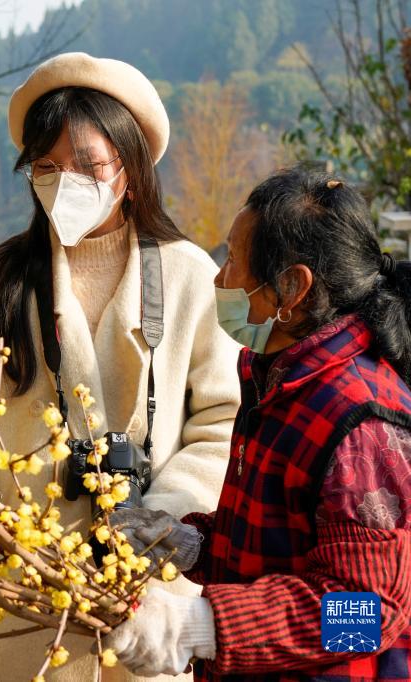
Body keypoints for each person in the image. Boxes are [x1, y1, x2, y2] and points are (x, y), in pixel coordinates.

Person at [0, 53, 242, 681]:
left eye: (88, 166)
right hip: (24, 586)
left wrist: (163, 516)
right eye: (47, 167)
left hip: (149, 595)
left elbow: (222, 421)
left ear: (131, 169)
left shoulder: (190, 275)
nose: (65, 183)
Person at [107, 166, 411, 681]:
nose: (219, 279)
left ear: (292, 288)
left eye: (233, 261)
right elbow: (279, 544)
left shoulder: (361, 423)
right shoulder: (278, 380)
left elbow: (369, 614)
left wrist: (205, 625)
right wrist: (193, 544)